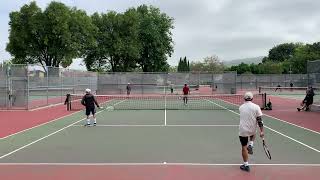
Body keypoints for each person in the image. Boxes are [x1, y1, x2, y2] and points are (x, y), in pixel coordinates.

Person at [238, 92, 264, 172]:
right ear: (252, 98)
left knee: (244, 147)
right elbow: (259, 120)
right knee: (253, 132)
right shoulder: (256, 107)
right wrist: (262, 131)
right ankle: (251, 144)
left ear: (244, 98)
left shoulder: (241, 107)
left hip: (243, 130)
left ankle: (246, 165)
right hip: (252, 130)